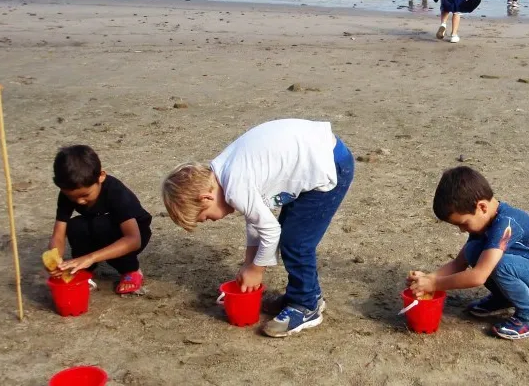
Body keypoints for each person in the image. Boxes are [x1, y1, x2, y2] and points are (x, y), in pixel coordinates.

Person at [161, 119, 354, 338]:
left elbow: (270, 231)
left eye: (204, 218)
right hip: (318, 156)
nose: (211, 221)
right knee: (291, 234)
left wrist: (256, 270)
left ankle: (306, 306)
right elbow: (255, 220)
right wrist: (248, 262)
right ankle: (303, 294)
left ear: (206, 198)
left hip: (329, 166)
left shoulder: (235, 187)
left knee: (296, 243)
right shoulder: (223, 172)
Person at [408, 166, 529, 339]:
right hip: (528, 272)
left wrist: (435, 285)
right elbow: (458, 263)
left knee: (499, 265)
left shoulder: (506, 224)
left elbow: (478, 276)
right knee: (473, 250)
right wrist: (428, 278)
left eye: (463, 223)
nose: (462, 230)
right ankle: (503, 298)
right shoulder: (484, 223)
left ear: (482, 207)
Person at [48, 145, 152, 295]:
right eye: (72, 197)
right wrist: (54, 259)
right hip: (99, 226)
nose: (79, 201)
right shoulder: (67, 193)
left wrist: (90, 257)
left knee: (101, 225)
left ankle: (131, 270)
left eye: (85, 195)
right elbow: (58, 234)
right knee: (75, 225)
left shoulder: (115, 192)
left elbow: (133, 240)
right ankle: (83, 271)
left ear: (101, 176)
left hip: (135, 233)